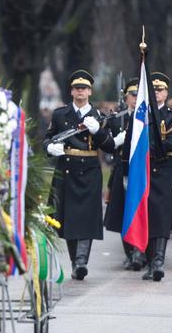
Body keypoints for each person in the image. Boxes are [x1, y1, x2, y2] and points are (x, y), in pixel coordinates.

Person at [45, 69, 117, 280]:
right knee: (68, 218)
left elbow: (111, 147)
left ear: (90, 91)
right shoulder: (60, 114)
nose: (80, 92)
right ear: (71, 91)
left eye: (84, 88)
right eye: (77, 88)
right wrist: (51, 147)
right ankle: (75, 262)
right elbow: (48, 138)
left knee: (86, 217)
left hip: (90, 169)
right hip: (67, 167)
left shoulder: (98, 116)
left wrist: (99, 131)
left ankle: (81, 261)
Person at [137, 71, 172, 281]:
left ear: (166, 93)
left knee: (161, 217)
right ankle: (149, 262)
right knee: (146, 216)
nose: (157, 93)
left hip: (163, 170)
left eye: (160, 89)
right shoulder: (139, 116)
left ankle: (158, 262)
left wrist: (149, 148)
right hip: (143, 171)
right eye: (153, 90)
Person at [104, 78, 142, 270]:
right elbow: (107, 148)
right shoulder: (117, 119)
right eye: (132, 95)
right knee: (123, 212)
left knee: (141, 211)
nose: (135, 98)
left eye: (138, 94)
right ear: (126, 97)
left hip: (142, 169)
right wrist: (115, 142)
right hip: (121, 168)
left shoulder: (147, 118)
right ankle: (129, 252)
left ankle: (140, 252)